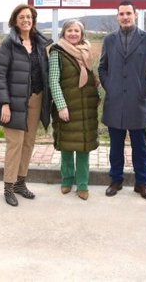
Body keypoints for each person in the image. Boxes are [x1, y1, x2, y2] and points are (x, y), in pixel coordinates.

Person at [0, 3, 52, 206]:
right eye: (22, 17)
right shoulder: (7, 44)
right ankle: (8, 187)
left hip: (36, 98)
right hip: (14, 101)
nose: (26, 20)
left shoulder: (40, 43)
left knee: (28, 142)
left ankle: (20, 182)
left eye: (29, 17)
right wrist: (5, 104)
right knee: (15, 144)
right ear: (15, 21)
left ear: (33, 20)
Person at [99, 0, 146, 200]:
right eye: (121, 14)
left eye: (128, 13)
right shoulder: (109, 40)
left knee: (139, 147)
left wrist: (144, 90)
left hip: (138, 102)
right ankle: (116, 180)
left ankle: (142, 183)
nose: (125, 17)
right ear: (117, 16)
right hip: (114, 102)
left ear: (136, 15)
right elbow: (102, 68)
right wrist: (110, 86)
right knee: (115, 147)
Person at [49, 19, 100, 201]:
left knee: (84, 147)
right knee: (67, 147)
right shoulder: (57, 52)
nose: (73, 34)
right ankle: (67, 180)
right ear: (63, 33)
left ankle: (83, 184)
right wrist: (61, 106)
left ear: (82, 34)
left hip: (85, 108)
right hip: (67, 107)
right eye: (69, 30)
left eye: (76, 31)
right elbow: (53, 81)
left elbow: (90, 76)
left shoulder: (86, 51)